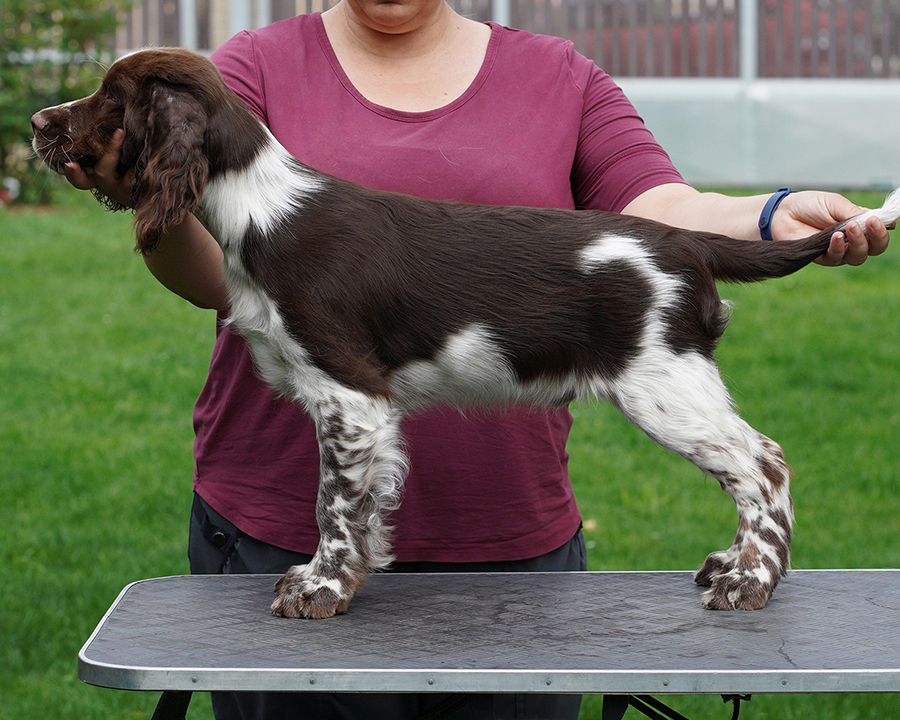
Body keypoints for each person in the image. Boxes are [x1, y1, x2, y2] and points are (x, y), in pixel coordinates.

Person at [63, 1, 890, 718]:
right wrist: (142, 190)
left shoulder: (558, 73)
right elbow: (210, 280)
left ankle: (762, 517)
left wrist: (781, 214)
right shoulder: (246, 70)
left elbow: (660, 209)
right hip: (258, 532)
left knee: (687, 420)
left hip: (517, 548)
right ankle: (338, 556)